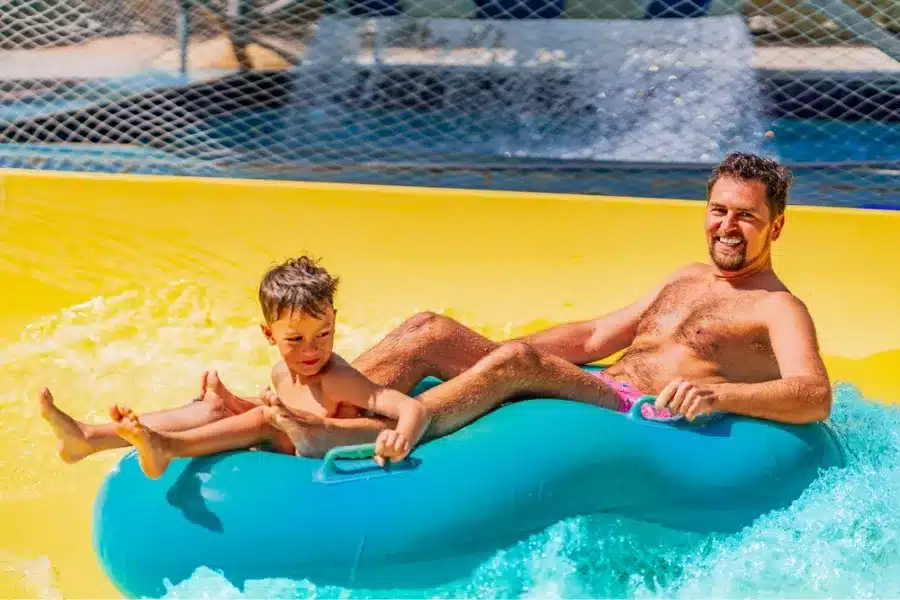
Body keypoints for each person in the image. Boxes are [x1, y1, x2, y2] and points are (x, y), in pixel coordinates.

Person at [272, 151, 834, 449]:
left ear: (776, 227)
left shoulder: (778, 308)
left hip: (635, 413)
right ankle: (304, 404)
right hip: (595, 383)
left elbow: (813, 396)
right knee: (430, 329)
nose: (727, 226)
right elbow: (593, 339)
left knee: (520, 365)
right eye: (718, 210)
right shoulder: (687, 276)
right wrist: (492, 351)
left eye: (746, 216)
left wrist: (718, 395)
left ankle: (357, 435)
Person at [39, 257, 433, 478]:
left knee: (264, 418)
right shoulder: (282, 373)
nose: (312, 350)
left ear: (335, 321)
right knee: (214, 406)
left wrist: (401, 438)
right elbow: (294, 409)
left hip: (316, 453)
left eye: (324, 333)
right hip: (286, 442)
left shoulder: (338, 377)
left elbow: (409, 408)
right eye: (295, 339)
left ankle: (167, 448)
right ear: (268, 334)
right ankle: (90, 437)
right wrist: (231, 400)